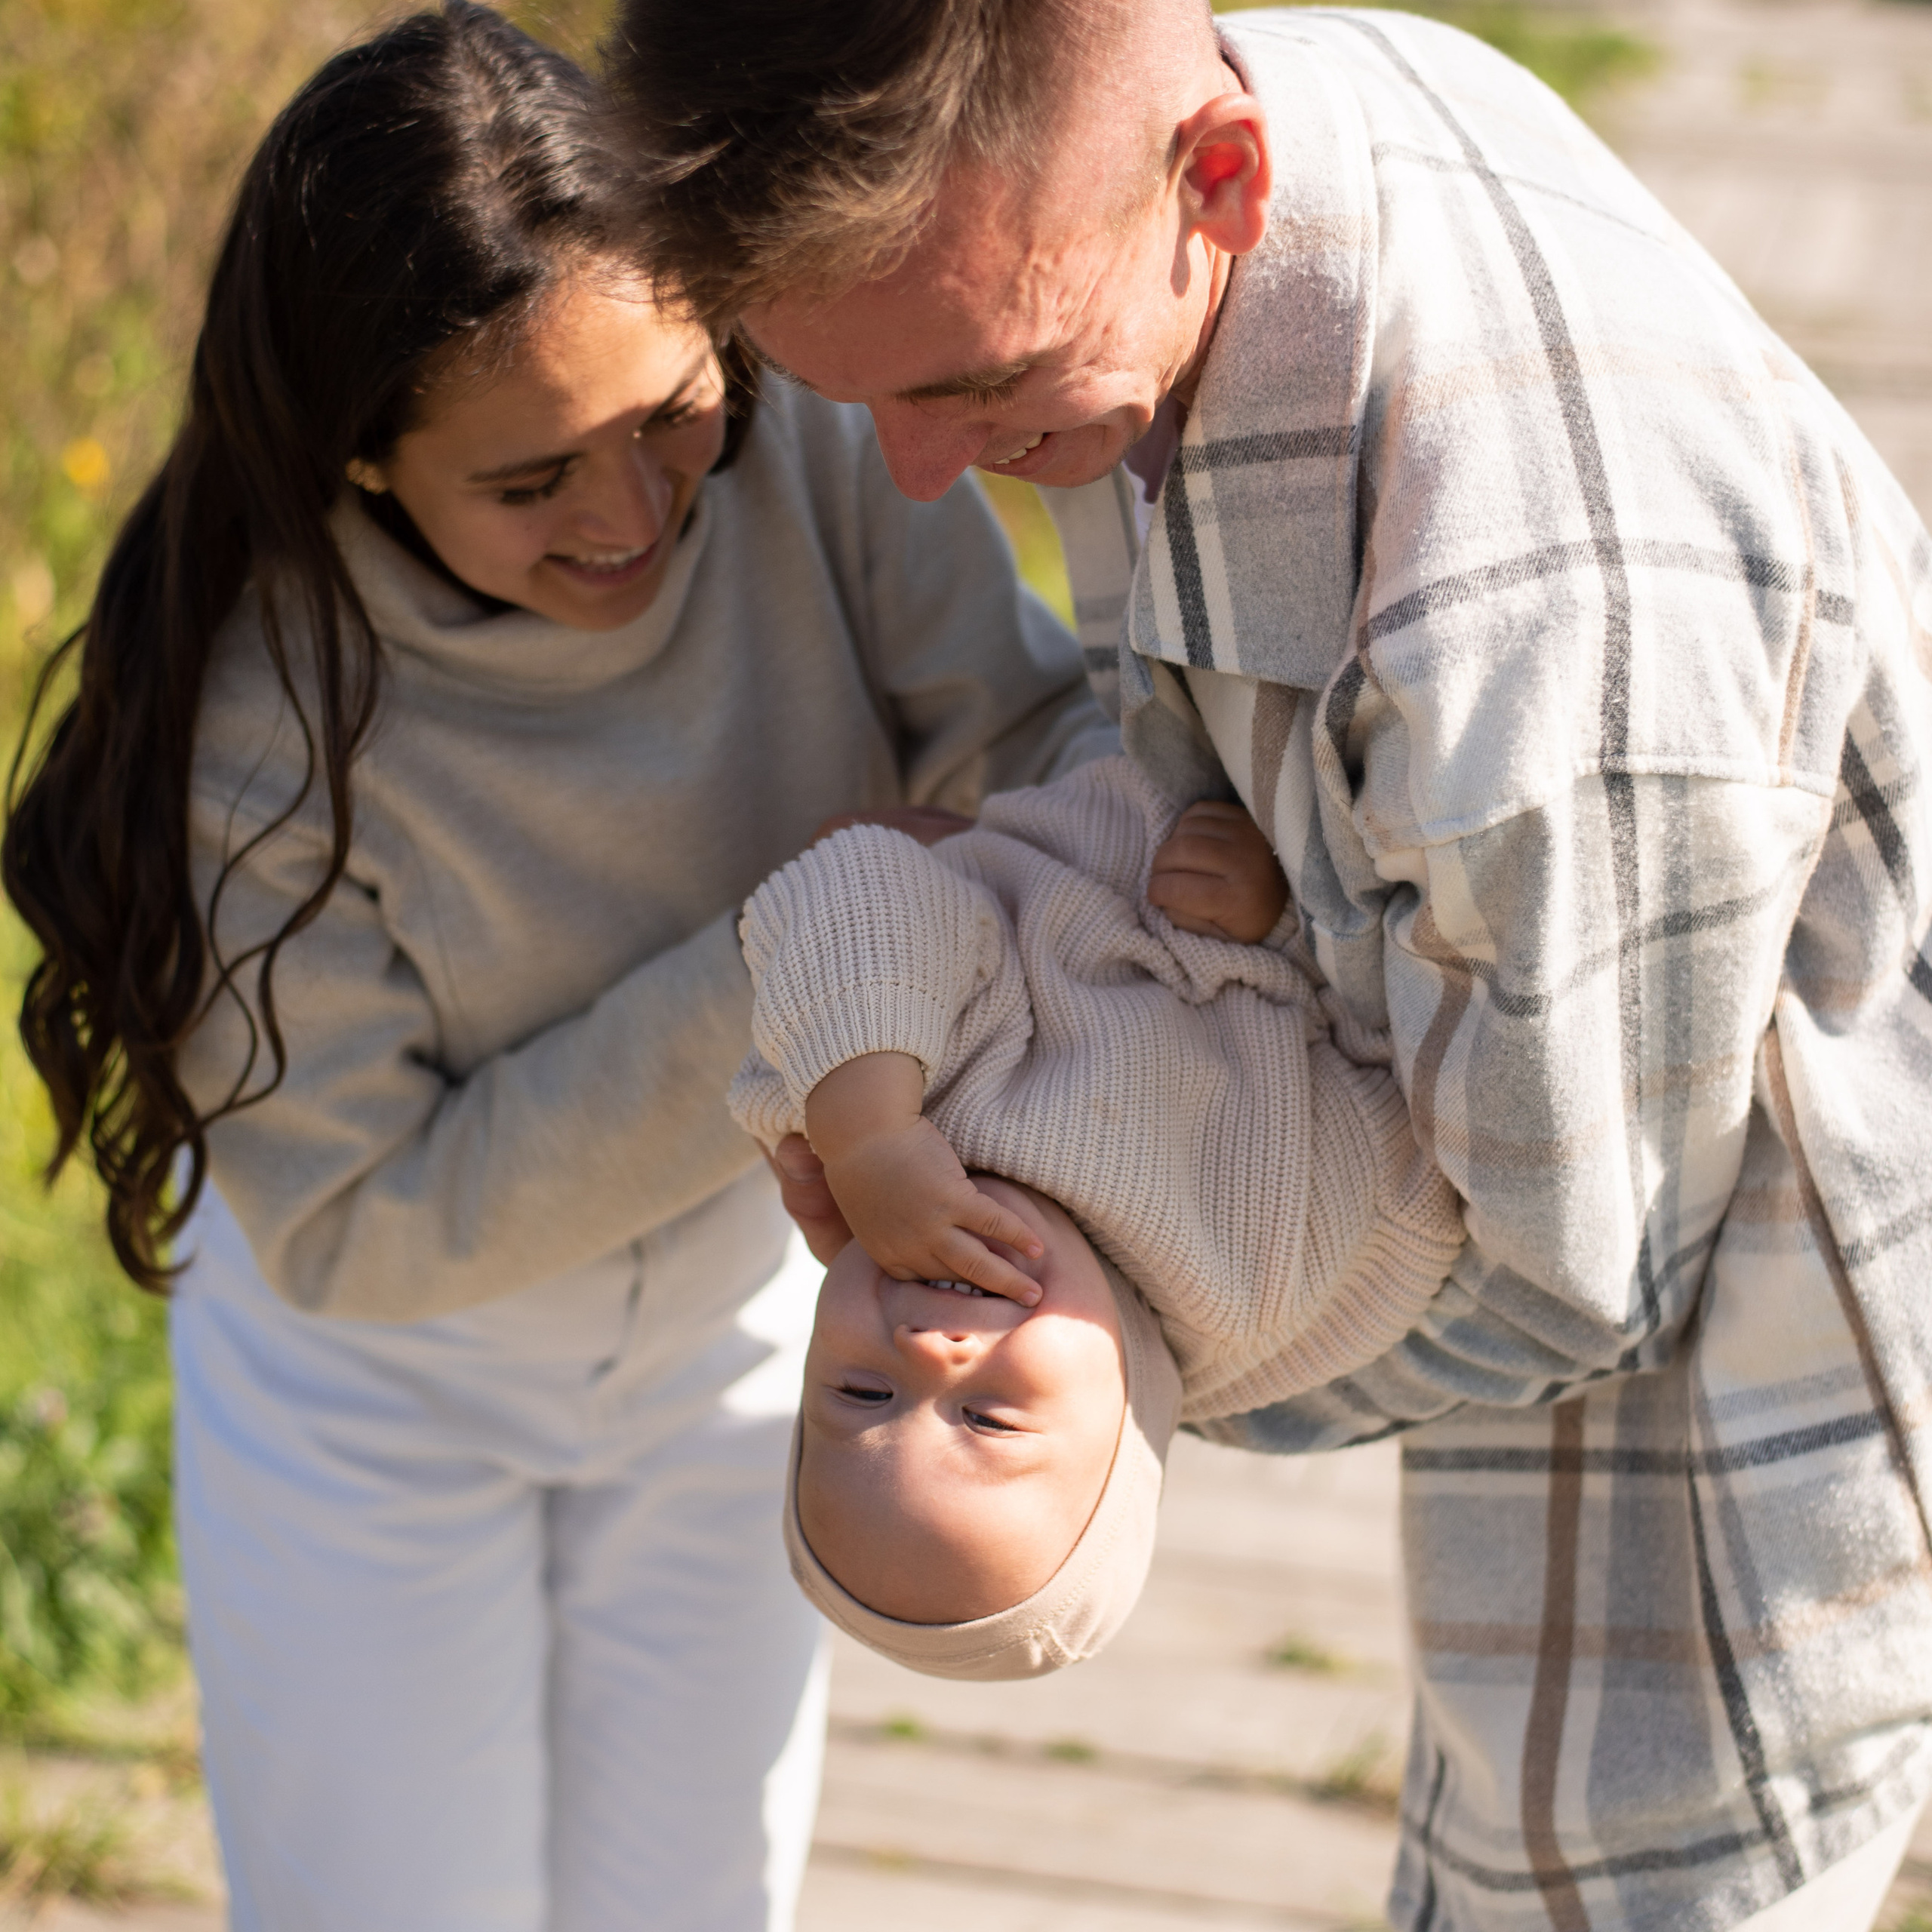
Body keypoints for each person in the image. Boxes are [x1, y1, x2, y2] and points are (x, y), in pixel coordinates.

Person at [605, 2, 1932, 1927]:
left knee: (1618, 1870)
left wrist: (1114, 1356)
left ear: (1210, 183)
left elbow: (1572, 1275)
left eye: (974, 387)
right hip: (1555, 1038)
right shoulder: (1198, 163)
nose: (915, 476)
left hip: (1740, 1342)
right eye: (845, 389)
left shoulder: (1517, 656)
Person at [0, 7, 1117, 1930]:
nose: (627, 518)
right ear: (361, 455)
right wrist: (808, 951)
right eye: (526, 483)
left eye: (667, 415)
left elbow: (1019, 746)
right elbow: (367, 1217)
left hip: (739, 1325)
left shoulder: (804, 441)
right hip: (381, 1394)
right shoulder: (259, 717)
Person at [724, 754, 1463, 1671]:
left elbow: (843, 874)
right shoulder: (1256, 1265)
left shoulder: (851, 1131)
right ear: (1128, 1426)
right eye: (988, 1420)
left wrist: (861, 1122)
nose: (924, 1351)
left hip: (1067, 776)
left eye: (860, 1391)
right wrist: (1288, 922)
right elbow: (1428, 1127)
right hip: (1261, 821)